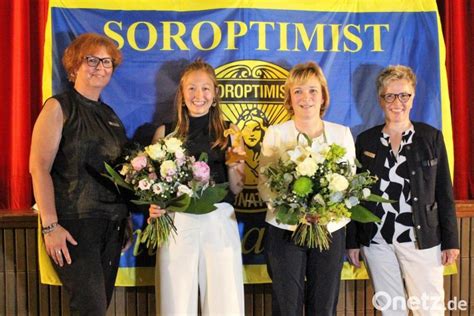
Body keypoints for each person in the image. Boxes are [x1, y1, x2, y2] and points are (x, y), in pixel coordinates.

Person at [346, 65, 459, 315]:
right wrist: (352, 241)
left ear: (413, 97)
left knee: (429, 309)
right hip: (377, 243)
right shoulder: (366, 141)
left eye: (404, 95)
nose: (397, 102)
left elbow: (444, 192)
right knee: (391, 310)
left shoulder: (431, 137)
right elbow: (354, 196)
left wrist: (451, 241)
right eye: (390, 96)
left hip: (422, 240)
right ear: (380, 99)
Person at [29, 33, 129, 315]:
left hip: (111, 226)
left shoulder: (110, 115)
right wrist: (50, 226)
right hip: (74, 226)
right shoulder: (58, 107)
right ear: (74, 67)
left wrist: (125, 219)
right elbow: (39, 167)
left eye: (106, 61)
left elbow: (119, 174)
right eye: (92, 60)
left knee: (99, 307)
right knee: (90, 309)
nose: (100, 66)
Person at [149, 59, 246, 315]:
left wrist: (236, 162)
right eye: (191, 88)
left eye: (205, 88)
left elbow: (237, 188)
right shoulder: (165, 133)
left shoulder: (230, 132)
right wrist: (153, 206)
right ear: (181, 94)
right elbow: (153, 187)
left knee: (226, 302)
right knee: (175, 301)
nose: (198, 95)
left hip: (219, 218)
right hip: (177, 221)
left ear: (215, 95)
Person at [258, 61, 356, 315]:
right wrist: (296, 210)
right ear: (289, 97)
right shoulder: (276, 134)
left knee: (323, 305)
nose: (306, 98)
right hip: (285, 229)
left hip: (330, 230)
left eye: (313, 90)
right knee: (286, 305)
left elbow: (349, 186)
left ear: (323, 95)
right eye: (298, 91)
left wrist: (326, 211)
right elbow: (265, 185)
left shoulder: (341, 134)